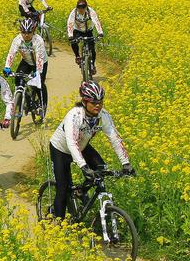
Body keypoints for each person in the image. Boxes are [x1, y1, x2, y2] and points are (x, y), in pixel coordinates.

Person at [47, 81, 133, 219]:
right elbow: (72, 143)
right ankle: (58, 224)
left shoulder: (102, 116)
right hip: (61, 149)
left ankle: (80, 191)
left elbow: (114, 138)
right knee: (62, 189)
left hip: (82, 146)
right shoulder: (74, 116)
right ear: (84, 102)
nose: (97, 105)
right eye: (93, 102)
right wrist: (83, 167)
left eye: (100, 102)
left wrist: (126, 163)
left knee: (102, 169)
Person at [4, 17, 49, 114]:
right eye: (23, 32)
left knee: (39, 83)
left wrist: (37, 73)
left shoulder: (38, 41)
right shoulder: (17, 40)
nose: (26, 35)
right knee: (18, 79)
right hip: (27, 61)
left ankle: (42, 104)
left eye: (29, 32)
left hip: (40, 63)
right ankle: (21, 99)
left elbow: (39, 59)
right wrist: (7, 67)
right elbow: (11, 54)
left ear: (33, 31)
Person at [67, 0, 104, 74]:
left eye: (83, 8)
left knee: (92, 49)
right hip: (77, 30)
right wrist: (70, 36)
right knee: (73, 42)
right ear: (77, 8)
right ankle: (77, 56)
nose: (81, 10)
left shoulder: (91, 12)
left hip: (88, 31)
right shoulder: (73, 13)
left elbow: (96, 21)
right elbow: (70, 23)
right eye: (79, 8)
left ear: (86, 7)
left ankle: (92, 65)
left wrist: (100, 33)